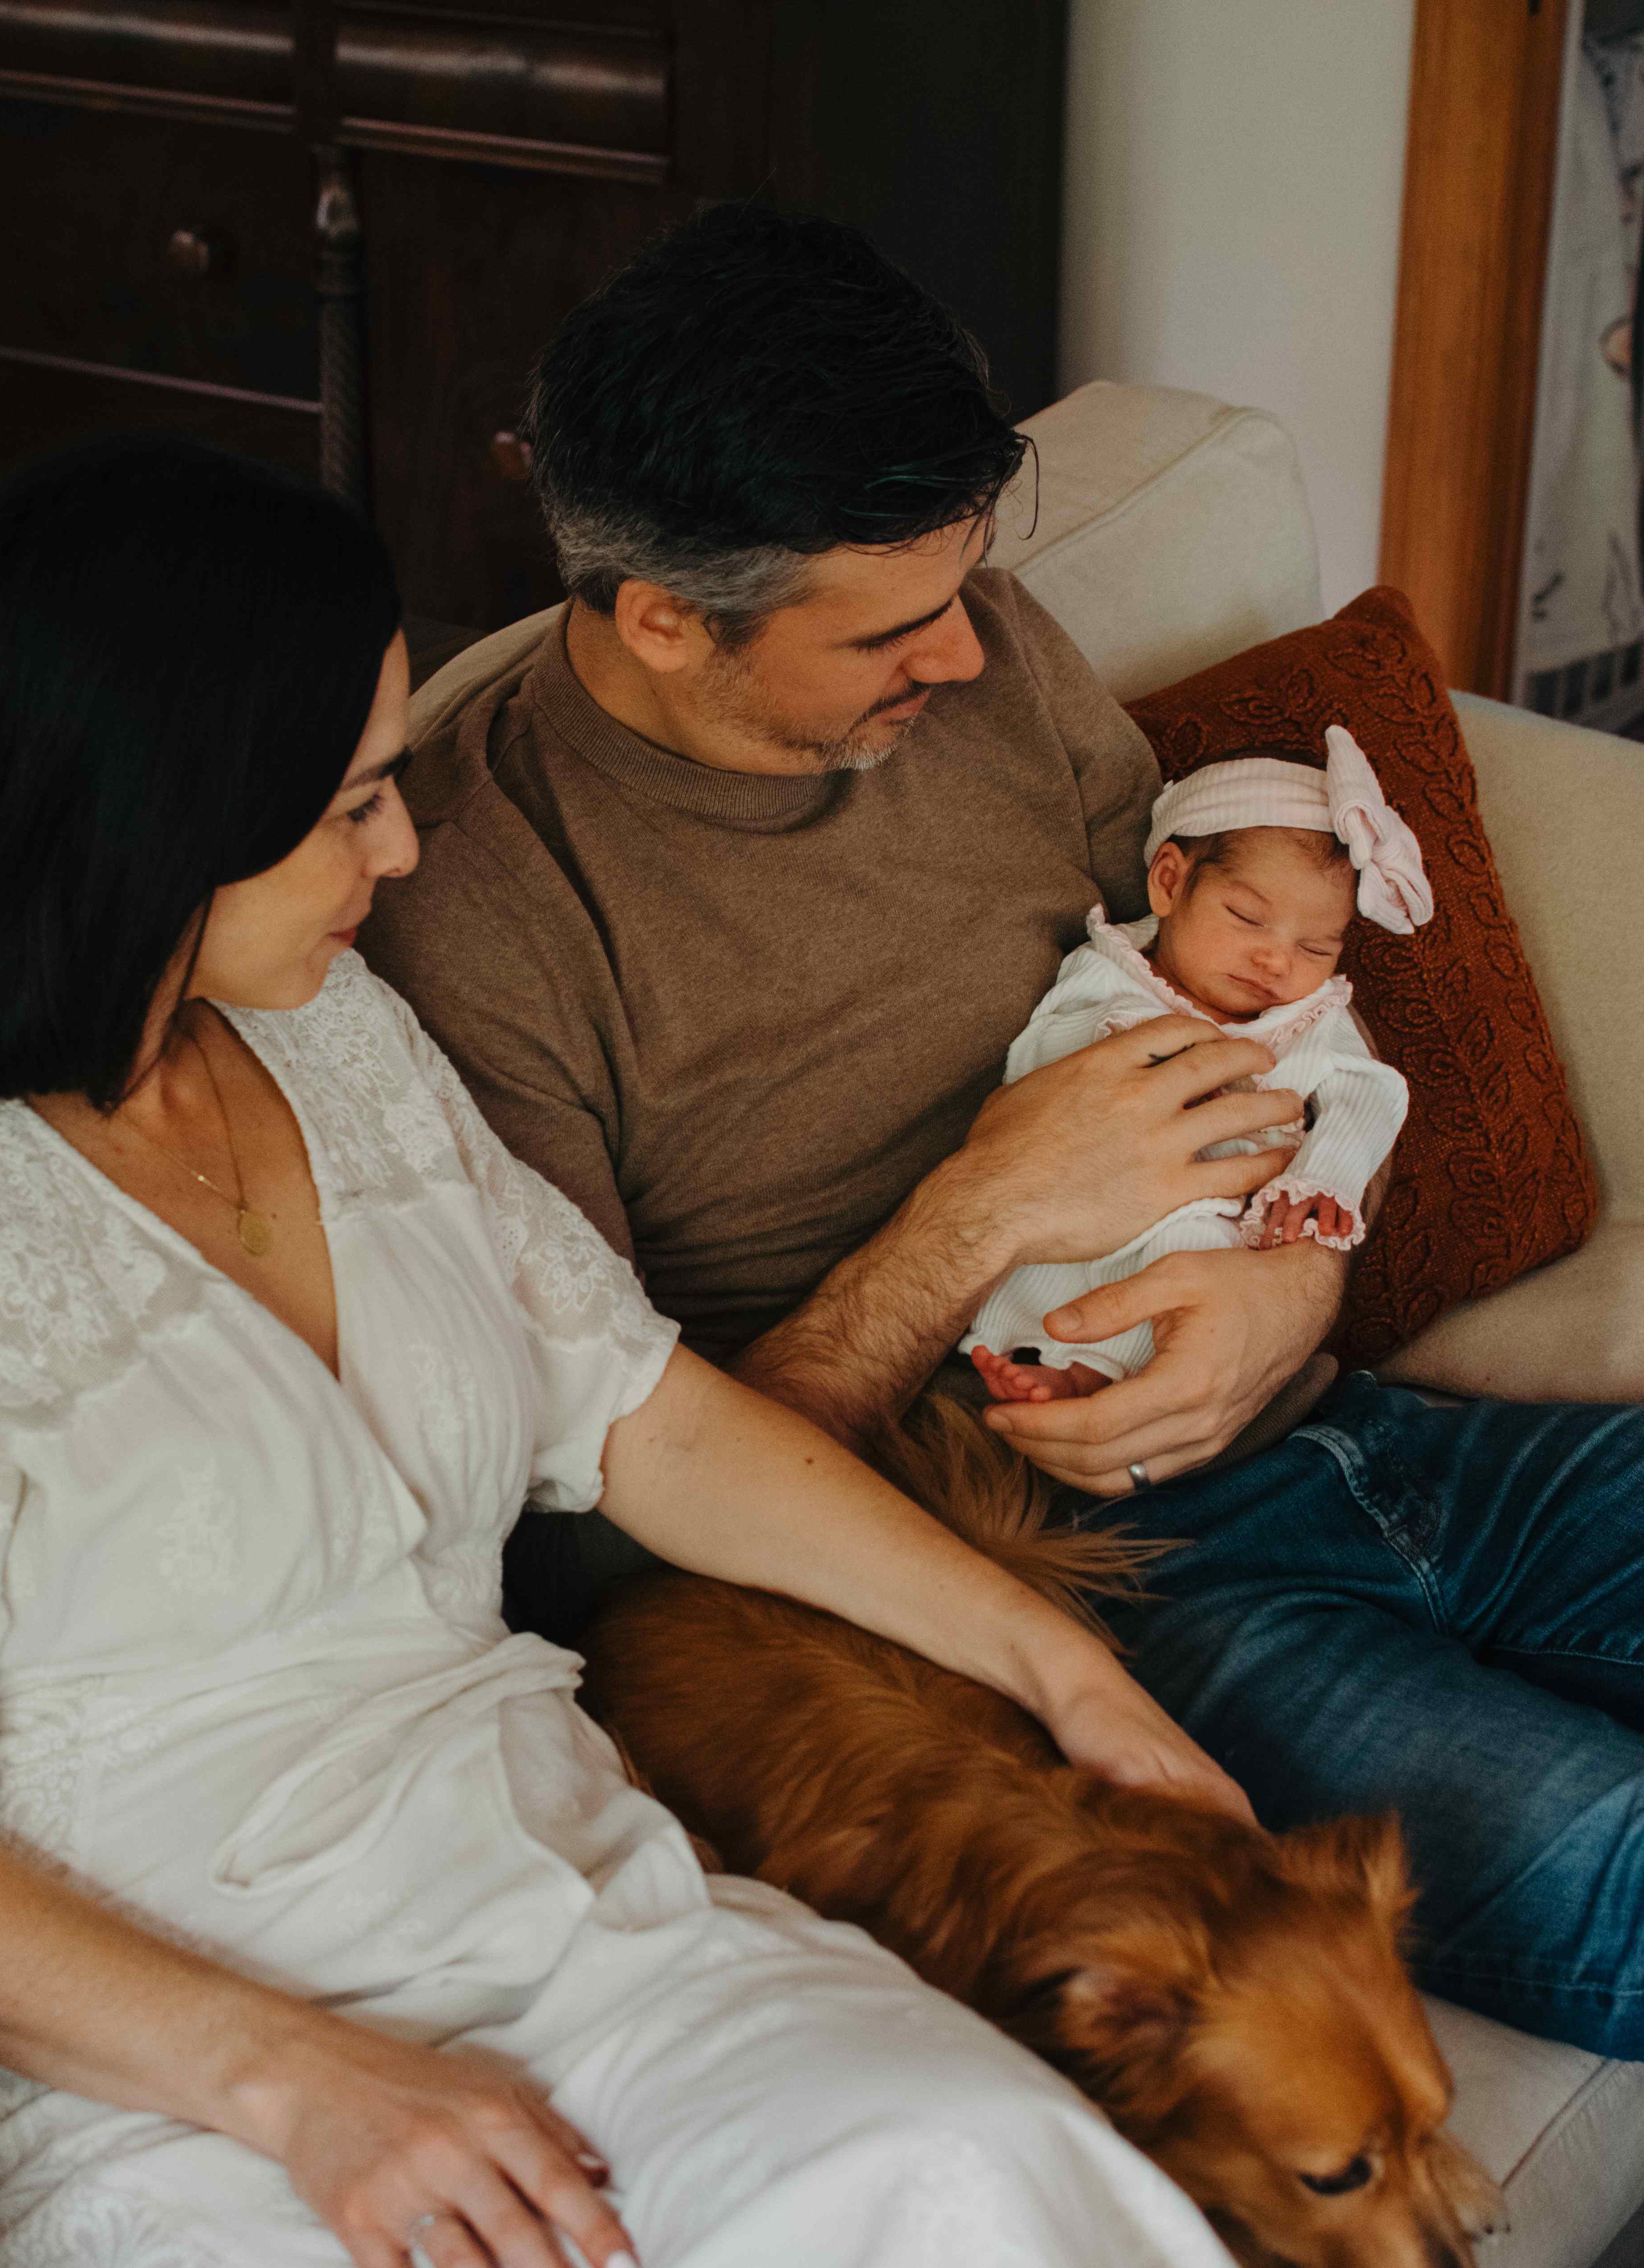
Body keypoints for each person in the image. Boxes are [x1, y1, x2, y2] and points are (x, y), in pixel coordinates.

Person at [0, 437, 1477, 2268]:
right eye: (345, 804)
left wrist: (1064, 1678)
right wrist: (298, 2084)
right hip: (195, 2084)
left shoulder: (334, 1051)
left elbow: (644, 1411)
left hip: (582, 1908)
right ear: (140, 815)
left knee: (999, 2187)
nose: (403, 847)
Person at [366, 199, 1644, 2063]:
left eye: (969, 586)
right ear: (660, 620)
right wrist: (972, 1220)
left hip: (1362, 1424)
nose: (969, 657)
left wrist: (1304, 1281)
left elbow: (1252, 1001)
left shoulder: (987, 652)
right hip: (1076, 1572)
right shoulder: (480, 924)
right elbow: (593, 1533)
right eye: (890, 626)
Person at [966, 724, 1425, 1398]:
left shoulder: (1310, 1019)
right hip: (1097, 1170)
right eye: (1246, 917)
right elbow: (1037, 1059)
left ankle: (1095, 1376)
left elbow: (1372, 1093)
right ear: (1170, 883)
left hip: (1223, 1212)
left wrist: (1327, 1179)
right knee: (1046, 1258)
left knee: (1194, 1251)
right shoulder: (1108, 971)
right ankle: (1033, 1354)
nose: (1277, 961)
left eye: (1317, 948)